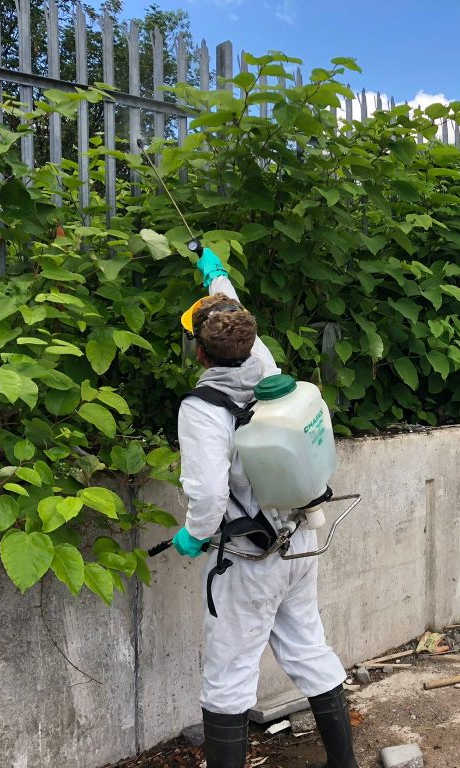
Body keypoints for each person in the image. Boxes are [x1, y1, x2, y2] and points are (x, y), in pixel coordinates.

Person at [172, 247, 358, 768]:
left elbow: (208, 495)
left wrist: (192, 534)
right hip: (301, 538)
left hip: (249, 557)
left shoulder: (204, 410)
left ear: (199, 353)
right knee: (307, 646)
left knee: (228, 672)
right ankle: (345, 764)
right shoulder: (264, 365)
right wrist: (218, 277)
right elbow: (231, 316)